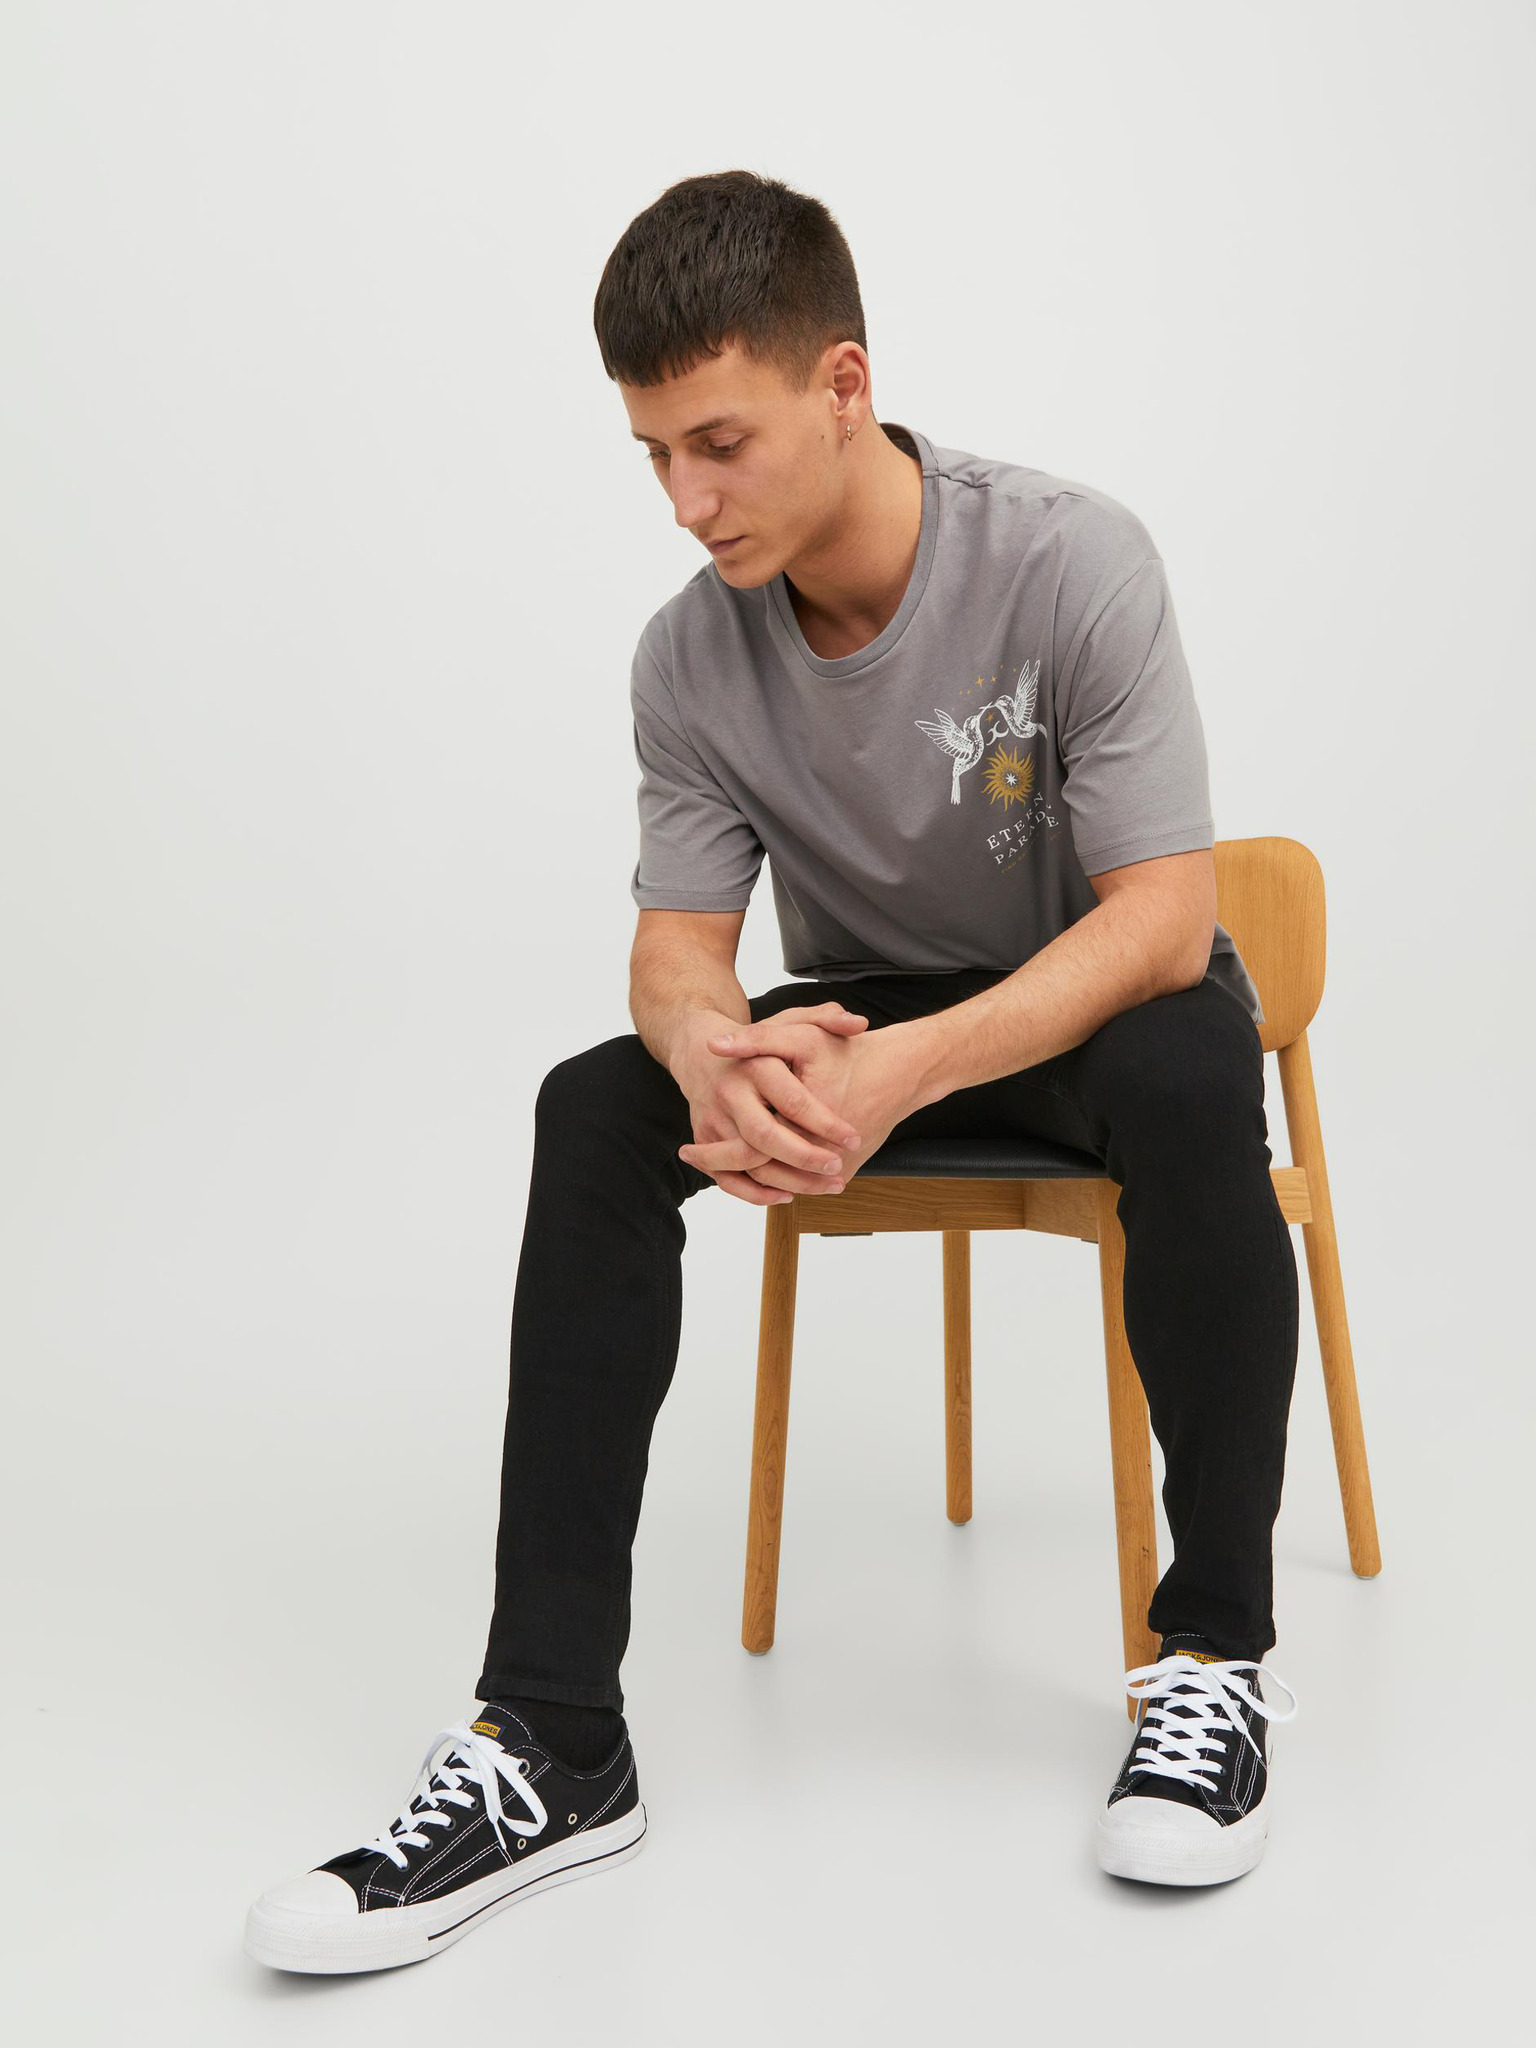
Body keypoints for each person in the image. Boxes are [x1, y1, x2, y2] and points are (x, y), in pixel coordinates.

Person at [245, 169, 1302, 1974]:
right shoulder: (686, 658)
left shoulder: (1072, 558)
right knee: (596, 1107)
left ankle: (1213, 1658)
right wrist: (714, 1050)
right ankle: (553, 1741)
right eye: (653, 456)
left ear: (842, 384)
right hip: (862, 1019)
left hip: (1091, 1009)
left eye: (718, 443)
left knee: (1193, 1065)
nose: (686, 500)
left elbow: (1160, 918)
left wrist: (908, 1074)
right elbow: (676, 948)